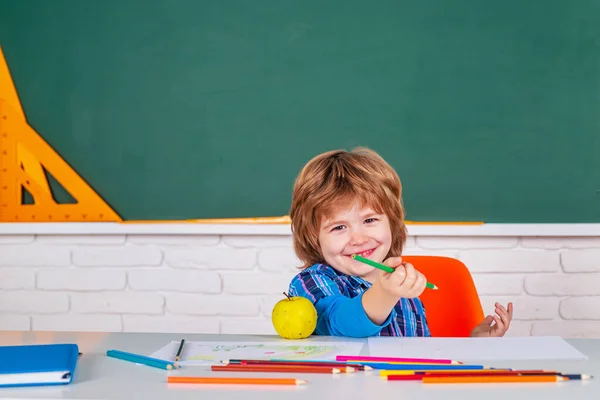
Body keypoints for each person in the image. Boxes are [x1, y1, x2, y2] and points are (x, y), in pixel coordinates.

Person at [287, 147, 513, 337]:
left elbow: (421, 358)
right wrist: (385, 294)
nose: (358, 239)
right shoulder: (312, 282)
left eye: (370, 220)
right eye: (339, 227)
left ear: (392, 223)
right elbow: (339, 321)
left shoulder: (405, 293)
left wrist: (471, 345)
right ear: (312, 236)